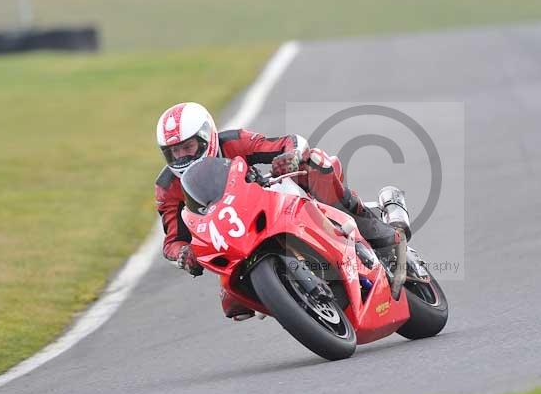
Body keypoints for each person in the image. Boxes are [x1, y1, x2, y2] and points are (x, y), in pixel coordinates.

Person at [154, 102, 400, 321]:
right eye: (174, 152)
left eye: (188, 147)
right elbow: (172, 241)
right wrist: (184, 254)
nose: (181, 156)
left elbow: (289, 141)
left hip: (265, 200)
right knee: (233, 304)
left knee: (314, 162)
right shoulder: (167, 188)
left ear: (207, 137)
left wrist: (290, 157)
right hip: (231, 238)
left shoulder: (233, 141)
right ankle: (292, 299)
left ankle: (376, 229)